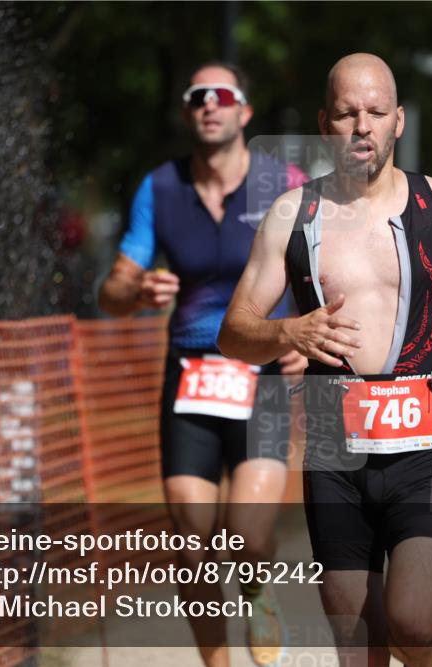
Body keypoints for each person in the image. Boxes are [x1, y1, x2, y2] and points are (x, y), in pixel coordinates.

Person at [218, 53, 432, 667]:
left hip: (423, 450)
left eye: (376, 112)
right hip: (334, 454)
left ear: (398, 120)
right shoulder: (292, 217)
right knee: (357, 645)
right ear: (326, 123)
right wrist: (289, 332)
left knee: (413, 623)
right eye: (347, 113)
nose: (362, 126)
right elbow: (234, 332)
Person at [98, 61, 307, 667]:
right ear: (188, 112)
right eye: (197, 96)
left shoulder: (285, 183)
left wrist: (299, 335)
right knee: (191, 545)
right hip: (190, 374)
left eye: (223, 95)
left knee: (246, 537)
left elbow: (322, 268)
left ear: (244, 112)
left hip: (261, 375)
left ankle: (257, 588)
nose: (209, 104)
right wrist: (133, 293)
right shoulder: (159, 189)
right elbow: (111, 290)